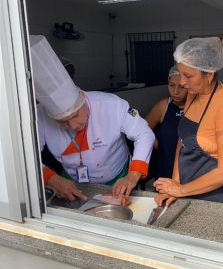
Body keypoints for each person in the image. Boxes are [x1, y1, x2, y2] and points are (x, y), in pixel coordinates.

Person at [30, 35, 155, 201]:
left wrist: (132, 175)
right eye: (62, 121)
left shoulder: (111, 105)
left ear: (83, 99)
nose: (72, 125)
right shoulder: (40, 115)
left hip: (118, 178)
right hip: (68, 181)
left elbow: (144, 134)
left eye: (75, 115)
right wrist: (51, 178)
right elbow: (25, 153)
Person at [154, 37, 223, 206]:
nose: (181, 82)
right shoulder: (193, 93)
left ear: (209, 74)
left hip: (215, 200)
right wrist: (175, 185)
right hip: (187, 191)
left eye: (188, 75)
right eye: (180, 74)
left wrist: (180, 190)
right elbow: (183, 143)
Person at [145, 65, 187, 178]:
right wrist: (159, 145)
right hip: (166, 169)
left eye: (182, 87)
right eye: (172, 85)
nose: (176, 92)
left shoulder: (198, 107)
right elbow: (143, 128)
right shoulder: (163, 106)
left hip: (190, 172)